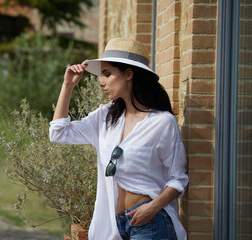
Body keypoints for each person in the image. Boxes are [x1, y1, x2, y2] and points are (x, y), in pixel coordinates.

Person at [49, 38, 188, 240]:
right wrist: (67, 85)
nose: (101, 81)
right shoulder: (105, 117)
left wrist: (152, 208)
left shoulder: (162, 123)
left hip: (150, 224)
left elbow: (178, 179)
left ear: (129, 74)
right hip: (115, 226)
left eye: (107, 74)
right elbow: (58, 134)